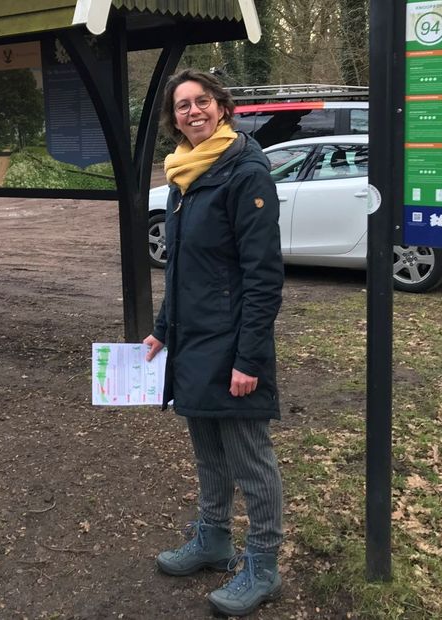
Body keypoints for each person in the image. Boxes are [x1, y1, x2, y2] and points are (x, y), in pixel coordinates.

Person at [143, 69, 285, 616]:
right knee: (208, 453)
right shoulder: (184, 176)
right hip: (193, 340)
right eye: (182, 106)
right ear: (173, 120)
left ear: (222, 107)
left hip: (233, 346)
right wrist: (162, 326)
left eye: (201, 102)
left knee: (250, 459)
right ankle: (214, 538)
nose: (192, 112)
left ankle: (264, 566)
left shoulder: (244, 172)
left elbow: (262, 273)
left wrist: (248, 356)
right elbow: (182, 268)